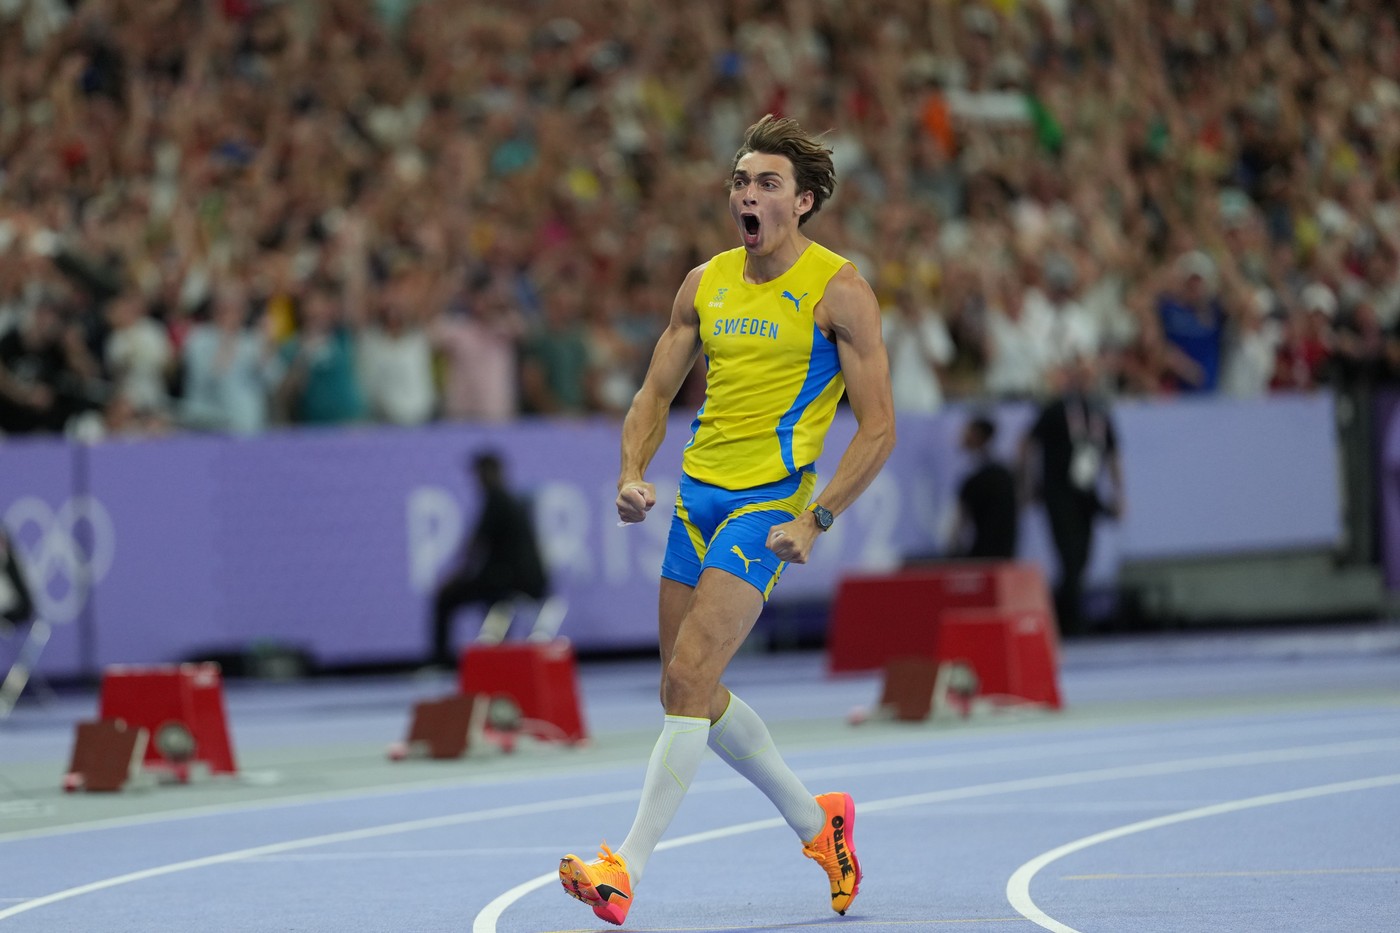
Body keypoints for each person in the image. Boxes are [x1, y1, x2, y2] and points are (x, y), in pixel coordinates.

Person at [557, 114, 895, 925]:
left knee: (691, 673)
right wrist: (633, 473)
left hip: (769, 504)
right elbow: (652, 394)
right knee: (686, 686)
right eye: (741, 181)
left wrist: (816, 518)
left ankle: (624, 867)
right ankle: (823, 826)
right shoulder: (703, 282)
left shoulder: (838, 290)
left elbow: (878, 428)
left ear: (803, 201)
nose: (748, 193)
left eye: (766, 183)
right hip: (697, 500)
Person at [1019, 357, 1124, 637]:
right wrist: (1028, 483)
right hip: (1059, 493)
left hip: (1087, 495)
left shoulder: (1100, 413)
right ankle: (1069, 621)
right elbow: (1027, 444)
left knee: (1082, 557)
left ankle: (1067, 617)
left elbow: (1113, 455)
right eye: (1083, 377)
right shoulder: (1056, 410)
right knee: (1069, 556)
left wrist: (1118, 494)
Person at [427, 451, 548, 669]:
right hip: (520, 579)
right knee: (492, 597)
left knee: (446, 597)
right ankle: (498, 654)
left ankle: (441, 662)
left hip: (511, 581)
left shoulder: (496, 500)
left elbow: (476, 546)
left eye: (480, 473)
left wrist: (457, 576)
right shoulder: (510, 499)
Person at [948, 414, 1018, 559]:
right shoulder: (1003, 473)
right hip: (1004, 552)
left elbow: (960, 523)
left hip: (984, 554)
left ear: (978, 435)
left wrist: (951, 550)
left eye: (967, 431)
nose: (963, 436)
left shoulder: (977, 478)